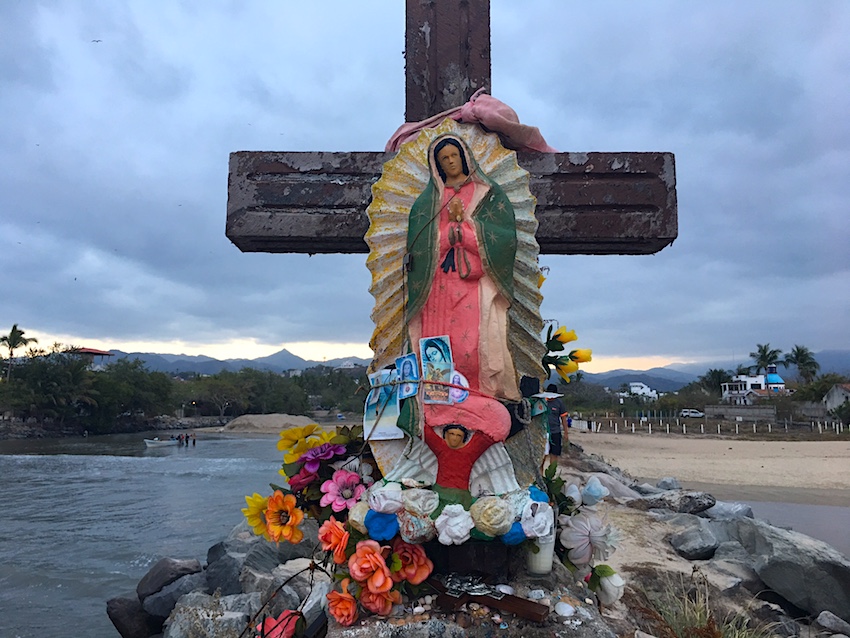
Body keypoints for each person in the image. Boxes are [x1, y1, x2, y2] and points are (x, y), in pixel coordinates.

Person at [403, 134, 522, 489]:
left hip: (471, 286)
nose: (451, 162)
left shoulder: (488, 195)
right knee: (440, 347)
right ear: (436, 165)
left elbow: (503, 240)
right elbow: (419, 244)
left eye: (455, 155)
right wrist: (445, 235)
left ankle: (475, 398)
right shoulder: (429, 201)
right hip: (438, 286)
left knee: (472, 349)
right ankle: (439, 403)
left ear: (466, 156)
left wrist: (465, 231)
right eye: (445, 158)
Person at [545, 383, 568, 467]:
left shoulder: (559, 403)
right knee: (543, 455)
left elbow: (563, 418)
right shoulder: (542, 401)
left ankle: (551, 475)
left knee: (554, 454)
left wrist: (566, 432)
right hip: (544, 432)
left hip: (555, 432)